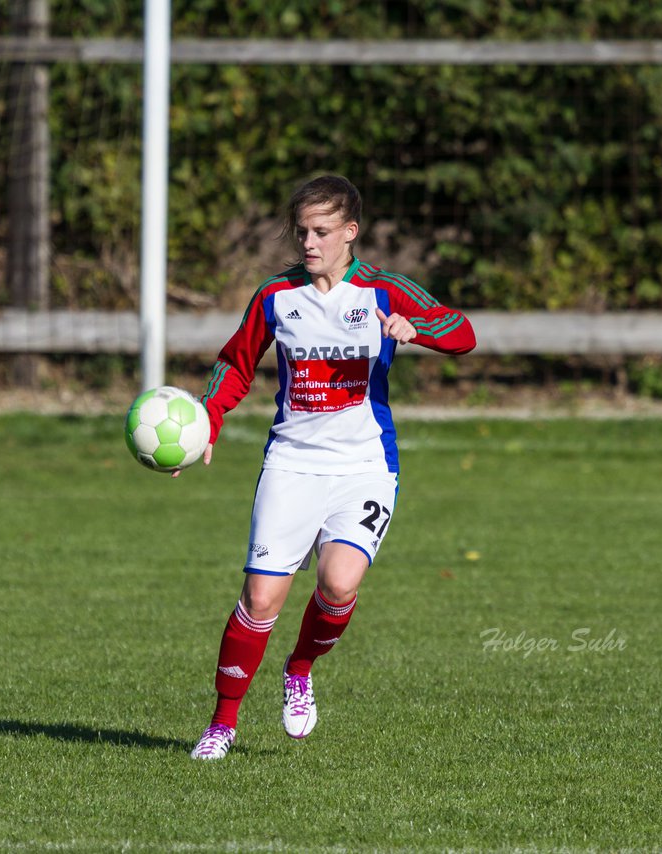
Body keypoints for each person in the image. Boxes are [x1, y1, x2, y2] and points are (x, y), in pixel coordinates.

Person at [184, 174, 476, 761]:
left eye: (321, 231)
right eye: (302, 232)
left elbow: (462, 330)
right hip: (292, 464)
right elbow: (236, 363)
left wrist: (416, 330)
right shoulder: (276, 296)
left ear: (351, 232)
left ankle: (299, 668)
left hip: (366, 465)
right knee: (261, 599)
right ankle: (221, 725)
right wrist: (207, 421)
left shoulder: (384, 290)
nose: (309, 242)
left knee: (339, 584)